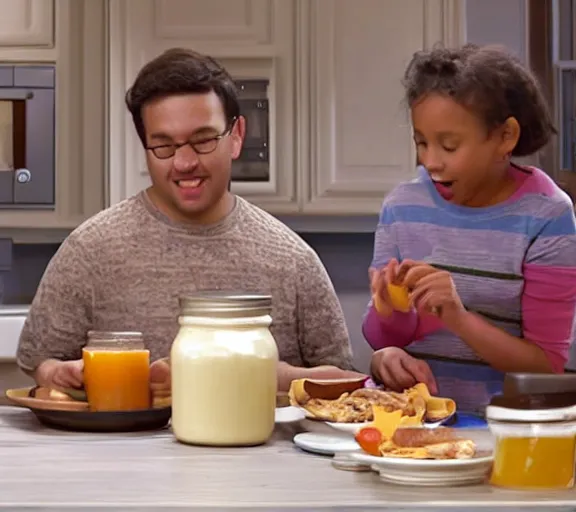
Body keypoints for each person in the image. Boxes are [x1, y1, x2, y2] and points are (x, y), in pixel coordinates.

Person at [17, 48, 365, 395]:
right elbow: (40, 360)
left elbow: (346, 383)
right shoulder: (90, 251)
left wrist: (258, 373)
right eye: (164, 146)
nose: (184, 163)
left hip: (254, 448)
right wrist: (57, 373)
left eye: (202, 141)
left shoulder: (293, 260)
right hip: (122, 449)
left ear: (237, 135)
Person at [365, 44, 576, 413]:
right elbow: (381, 337)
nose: (431, 161)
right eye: (422, 143)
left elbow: (546, 365)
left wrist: (458, 318)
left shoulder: (547, 216)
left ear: (505, 137)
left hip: (502, 433)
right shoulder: (402, 207)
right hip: (410, 427)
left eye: (449, 145)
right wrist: (387, 339)